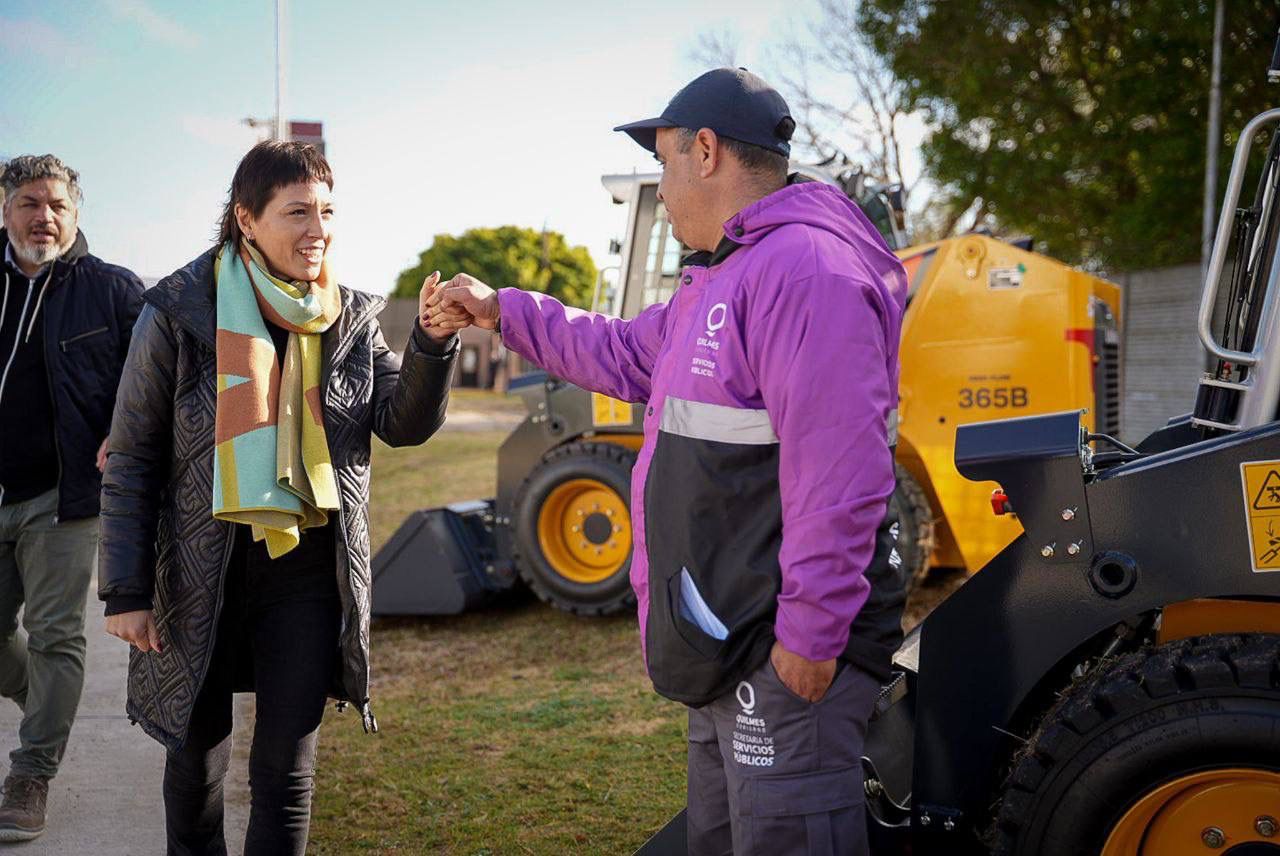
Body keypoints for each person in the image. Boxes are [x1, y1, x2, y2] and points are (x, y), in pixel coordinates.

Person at [429, 68, 909, 855]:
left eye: (664, 163)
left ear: (708, 151)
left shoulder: (806, 273)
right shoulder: (721, 276)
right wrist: (502, 310)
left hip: (781, 656)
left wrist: (811, 639)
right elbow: (619, 350)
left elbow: (841, 476)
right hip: (726, 643)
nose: (664, 181)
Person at [98, 140, 466, 855]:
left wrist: (429, 341)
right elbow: (134, 454)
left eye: (327, 211)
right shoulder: (176, 311)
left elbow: (403, 423)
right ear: (247, 219)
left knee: (286, 774)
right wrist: (125, 589)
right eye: (297, 211)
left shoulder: (351, 317)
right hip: (196, 577)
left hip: (305, 577)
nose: (317, 229)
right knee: (196, 766)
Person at [0, 155, 144, 841]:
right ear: (5, 210)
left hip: (64, 497)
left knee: (58, 634)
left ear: (76, 212)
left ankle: (31, 773)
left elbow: (151, 377)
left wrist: (125, 427)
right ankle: (49, 704)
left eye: (57, 204)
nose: (44, 216)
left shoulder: (111, 291)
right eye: (30, 202)